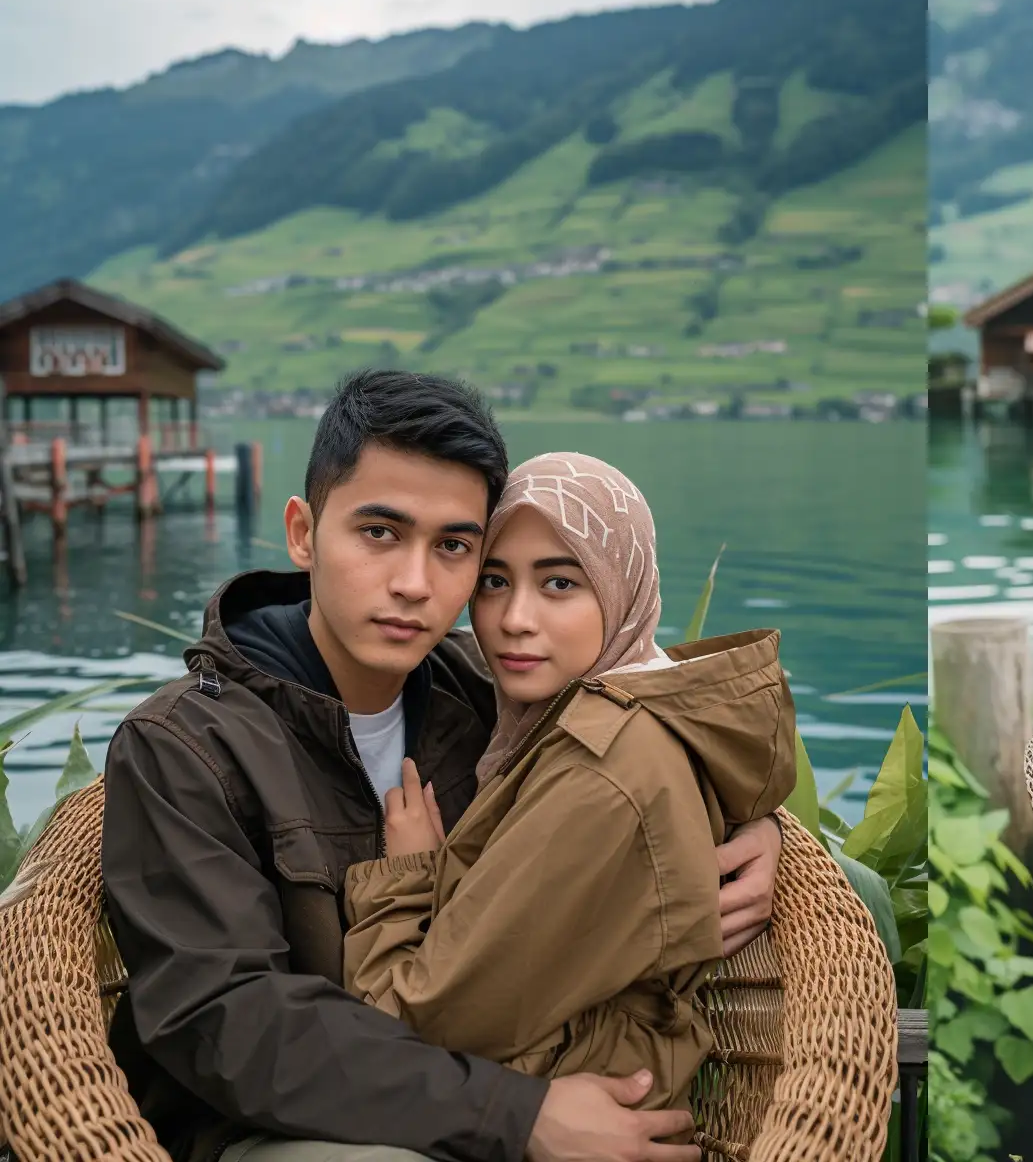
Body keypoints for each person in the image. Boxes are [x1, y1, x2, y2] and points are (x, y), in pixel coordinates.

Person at [100, 371, 779, 1162]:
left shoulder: (491, 694)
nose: (415, 584)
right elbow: (232, 1027)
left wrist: (755, 823)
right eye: (379, 532)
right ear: (302, 532)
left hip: (496, 1080)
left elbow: (648, 737)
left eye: (454, 547)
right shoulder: (184, 749)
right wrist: (521, 1118)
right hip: (272, 1130)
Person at [343, 452, 796, 1108]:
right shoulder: (600, 711)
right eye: (493, 582)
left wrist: (406, 877)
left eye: (559, 584)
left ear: (621, 589)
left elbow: (411, 1029)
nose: (513, 619)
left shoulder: (601, 773)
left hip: (567, 1122)